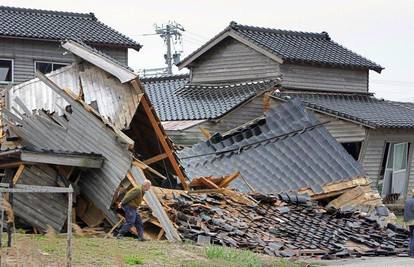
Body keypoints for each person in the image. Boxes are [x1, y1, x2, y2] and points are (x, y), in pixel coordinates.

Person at [404, 189, 414, 256]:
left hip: (409, 221)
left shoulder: (407, 201)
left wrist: (405, 222)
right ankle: (413, 253)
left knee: (411, 237)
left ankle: (410, 252)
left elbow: (405, 212)